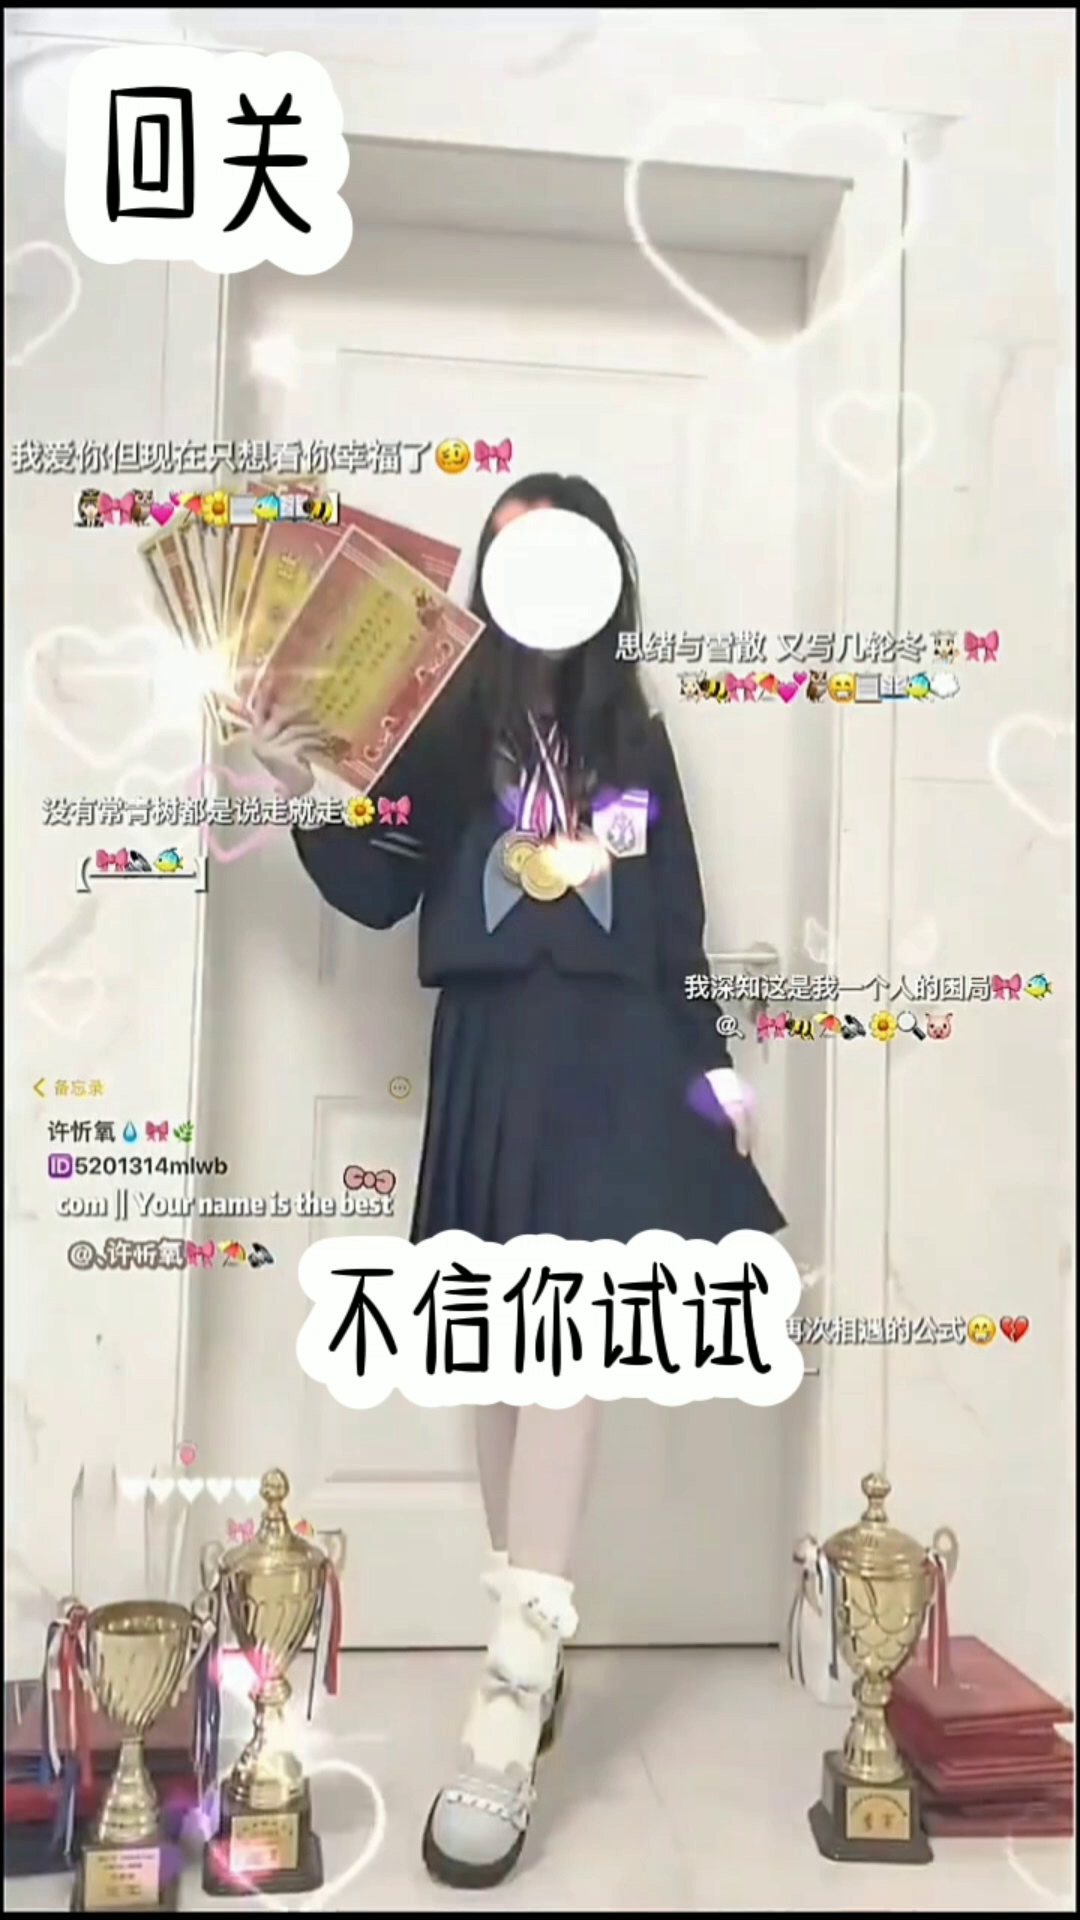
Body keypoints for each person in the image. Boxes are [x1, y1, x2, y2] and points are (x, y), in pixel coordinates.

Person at [250, 473, 784, 1889]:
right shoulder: (440, 721)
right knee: (500, 1356)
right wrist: (301, 782)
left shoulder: (635, 733)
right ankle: (529, 1649)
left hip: (615, 1059)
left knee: (566, 1355)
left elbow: (676, 926)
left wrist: (719, 1075)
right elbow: (379, 890)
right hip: (492, 1054)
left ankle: (506, 1708)